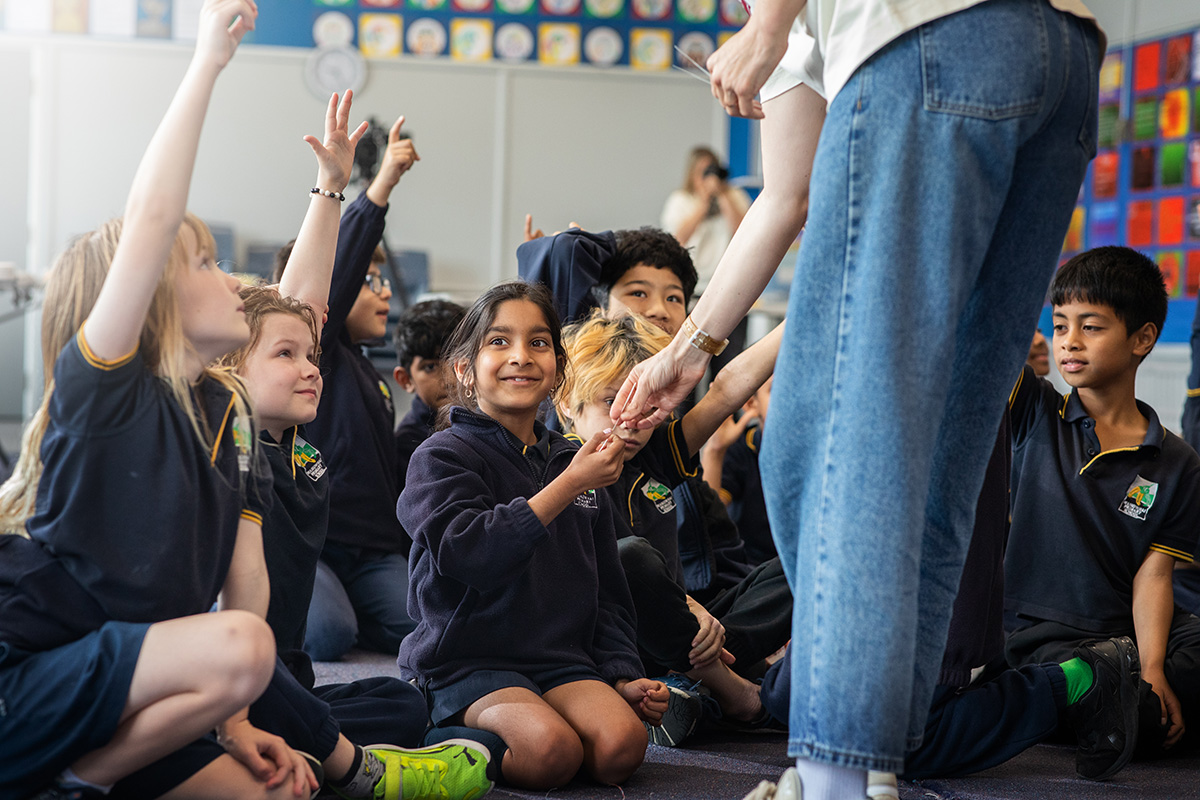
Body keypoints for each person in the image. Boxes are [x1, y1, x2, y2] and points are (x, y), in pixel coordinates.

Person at [613, 1, 1104, 796]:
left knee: (828, 460)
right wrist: (688, 349)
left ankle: (834, 776)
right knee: (944, 456)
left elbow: (789, 193)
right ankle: (875, 758)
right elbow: (787, 195)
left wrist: (766, 25)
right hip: (1063, 58)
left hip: (929, 42)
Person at [0, 4, 311, 796]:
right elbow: (152, 217)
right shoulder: (104, 387)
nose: (232, 277)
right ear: (152, 298)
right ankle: (71, 784)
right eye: (204, 262)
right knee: (243, 645)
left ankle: (85, 776)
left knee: (277, 789)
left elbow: (246, 578)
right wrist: (207, 60)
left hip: (125, 690)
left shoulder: (224, 409)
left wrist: (237, 719)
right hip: (28, 684)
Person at [397, 281, 669, 789]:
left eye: (539, 342)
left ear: (558, 372)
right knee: (551, 753)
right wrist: (569, 486)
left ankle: (547, 716)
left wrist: (621, 675)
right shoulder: (441, 456)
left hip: (560, 661)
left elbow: (608, 592)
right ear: (465, 369)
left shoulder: (571, 461)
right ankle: (433, 726)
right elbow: (471, 553)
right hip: (466, 663)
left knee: (622, 747)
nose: (521, 356)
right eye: (499, 341)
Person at [1004, 246, 1200, 766]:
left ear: (1142, 339)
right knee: (1096, 688)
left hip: (1129, 632)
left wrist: (1153, 669)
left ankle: (1127, 703)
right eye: (1060, 325)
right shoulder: (1036, 412)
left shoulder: (1177, 461)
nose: (1069, 340)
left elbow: (1154, 576)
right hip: (1045, 636)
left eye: (1090, 327)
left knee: (1154, 685)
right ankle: (1117, 705)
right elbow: (984, 341)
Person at [558, 312, 790, 744]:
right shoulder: (557, 464)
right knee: (630, 556)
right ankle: (732, 692)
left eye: (647, 406)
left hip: (686, 637)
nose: (630, 420)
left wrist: (802, 312)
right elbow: (607, 562)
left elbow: (727, 389)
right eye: (611, 402)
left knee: (801, 563)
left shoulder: (654, 452)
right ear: (567, 404)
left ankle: (694, 689)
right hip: (612, 647)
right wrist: (691, 607)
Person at [295, 116, 421, 662]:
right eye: (371, 282)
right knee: (328, 636)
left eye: (384, 280)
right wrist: (382, 183)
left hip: (371, 551)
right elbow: (336, 272)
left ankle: (357, 607)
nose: (385, 292)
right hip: (317, 544)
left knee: (425, 626)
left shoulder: (368, 373)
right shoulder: (315, 350)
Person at [661, 146, 753, 372]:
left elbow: (746, 233)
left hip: (728, 290)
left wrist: (721, 195)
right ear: (693, 174)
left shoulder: (734, 197)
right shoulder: (680, 200)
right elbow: (676, 240)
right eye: (704, 172)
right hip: (692, 291)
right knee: (684, 364)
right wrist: (703, 204)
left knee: (728, 364)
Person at [518, 225, 696, 336]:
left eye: (673, 298)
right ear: (600, 306)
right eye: (639, 293)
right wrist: (557, 257)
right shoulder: (577, 369)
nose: (659, 310)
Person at [393, 299, 466, 502]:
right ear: (406, 379)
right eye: (431, 367)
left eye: (458, 361)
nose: (450, 379)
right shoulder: (408, 446)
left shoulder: (493, 423)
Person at [701, 376, 776, 565]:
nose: (789, 398)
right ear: (751, 404)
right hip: (754, 568)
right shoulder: (740, 449)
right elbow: (706, 520)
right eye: (776, 389)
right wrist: (715, 451)